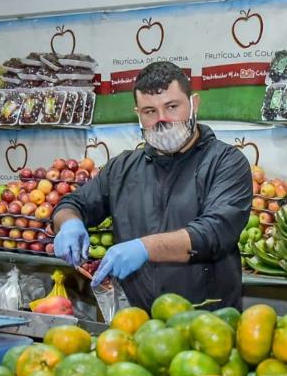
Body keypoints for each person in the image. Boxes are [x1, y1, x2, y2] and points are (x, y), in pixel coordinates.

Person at [52, 61, 253, 310]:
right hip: (137, 323)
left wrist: (145, 248)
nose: (162, 119)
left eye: (172, 107)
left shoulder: (226, 162)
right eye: (150, 111)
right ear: (138, 114)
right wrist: (69, 223)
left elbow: (215, 231)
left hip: (208, 323)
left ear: (194, 104)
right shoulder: (122, 168)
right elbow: (72, 203)